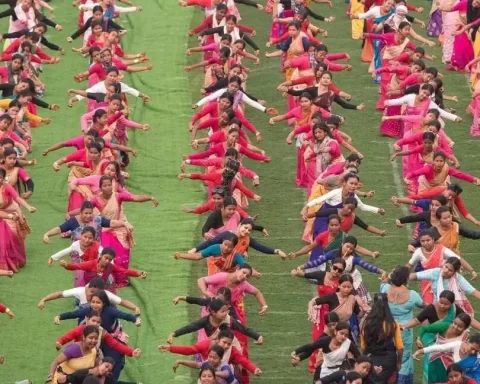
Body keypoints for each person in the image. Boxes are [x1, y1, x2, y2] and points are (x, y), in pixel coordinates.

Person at [380, 266, 423, 384]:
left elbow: (384, 282)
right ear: (406, 279)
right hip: (404, 331)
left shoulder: (384, 289)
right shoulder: (413, 295)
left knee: (387, 355)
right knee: (404, 359)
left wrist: (389, 276)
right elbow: (424, 305)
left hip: (386, 330)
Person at [361, 292, 404, 384]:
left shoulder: (366, 323)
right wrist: (399, 362)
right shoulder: (392, 323)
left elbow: (363, 346)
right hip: (389, 360)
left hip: (371, 359)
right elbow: (400, 347)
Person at [291, 321, 361, 377]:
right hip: (325, 372)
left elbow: (358, 356)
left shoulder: (348, 343)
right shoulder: (325, 341)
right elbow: (311, 347)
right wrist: (297, 353)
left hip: (340, 372)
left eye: (346, 335)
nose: (343, 337)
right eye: (341, 333)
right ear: (336, 331)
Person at [0, 167, 35, 272]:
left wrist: (28, 207)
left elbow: (17, 198)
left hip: (11, 213)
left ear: (3, 178)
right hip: (3, 216)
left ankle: (15, 260)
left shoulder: (7, 187)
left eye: (0, 178)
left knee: (13, 237)